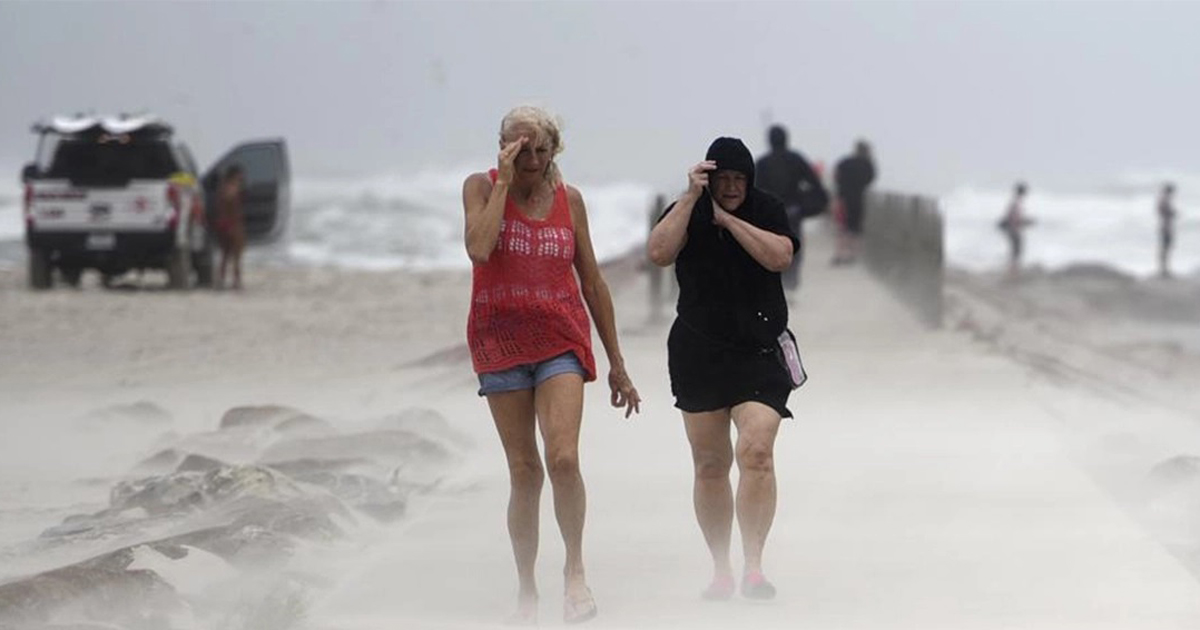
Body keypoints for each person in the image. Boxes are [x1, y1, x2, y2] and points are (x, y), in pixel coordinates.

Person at [462, 105, 641, 625]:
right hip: (499, 343)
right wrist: (502, 183)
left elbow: (593, 283)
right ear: (503, 147)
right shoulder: (479, 187)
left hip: (561, 339)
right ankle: (525, 588)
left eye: (541, 150)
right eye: (521, 150)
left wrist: (618, 364)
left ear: (554, 149)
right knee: (524, 471)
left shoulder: (571, 200)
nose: (533, 160)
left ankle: (575, 572)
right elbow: (479, 248)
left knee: (563, 459)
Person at [647, 137, 801, 602]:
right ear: (708, 177)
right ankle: (720, 568)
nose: (732, 187)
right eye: (723, 179)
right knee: (711, 464)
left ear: (749, 180)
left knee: (756, 452)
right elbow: (658, 252)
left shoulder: (767, 208)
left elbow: (780, 256)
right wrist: (693, 198)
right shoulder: (686, 208)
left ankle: (754, 565)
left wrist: (729, 220)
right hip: (699, 351)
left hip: (758, 351)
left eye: (739, 179)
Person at [755, 124, 829, 292]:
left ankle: (775, 284)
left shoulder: (763, 163)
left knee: (768, 247)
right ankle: (790, 285)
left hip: (770, 212)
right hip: (793, 212)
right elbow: (815, 184)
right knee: (793, 247)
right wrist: (805, 205)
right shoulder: (796, 160)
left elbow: (754, 190)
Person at [832, 139, 876, 265]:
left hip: (843, 198)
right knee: (855, 229)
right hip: (858, 198)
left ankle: (839, 255)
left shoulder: (845, 162)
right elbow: (870, 179)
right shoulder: (868, 165)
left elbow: (837, 176)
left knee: (842, 228)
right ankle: (852, 256)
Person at [213, 165, 246, 290]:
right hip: (232, 225)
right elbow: (230, 204)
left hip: (226, 224)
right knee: (234, 256)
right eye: (239, 175)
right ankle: (235, 281)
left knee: (226, 255)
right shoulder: (230, 187)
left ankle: (223, 280)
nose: (241, 178)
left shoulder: (223, 187)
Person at [998, 181, 1032, 278]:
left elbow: (1012, 217)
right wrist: (1025, 222)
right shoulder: (1016, 203)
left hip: (1012, 230)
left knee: (1015, 251)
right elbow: (1015, 218)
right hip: (1014, 230)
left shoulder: (1015, 202)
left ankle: (1012, 271)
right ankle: (1013, 272)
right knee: (1016, 252)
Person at [1157, 182, 1177, 279]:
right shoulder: (1164, 200)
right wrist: (1172, 213)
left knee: (1166, 248)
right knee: (1165, 248)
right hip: (1166, 227)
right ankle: (1164, 269)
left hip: (1166, 227)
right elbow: (1163, 211)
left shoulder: (1164, 199)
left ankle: (1164, 269)